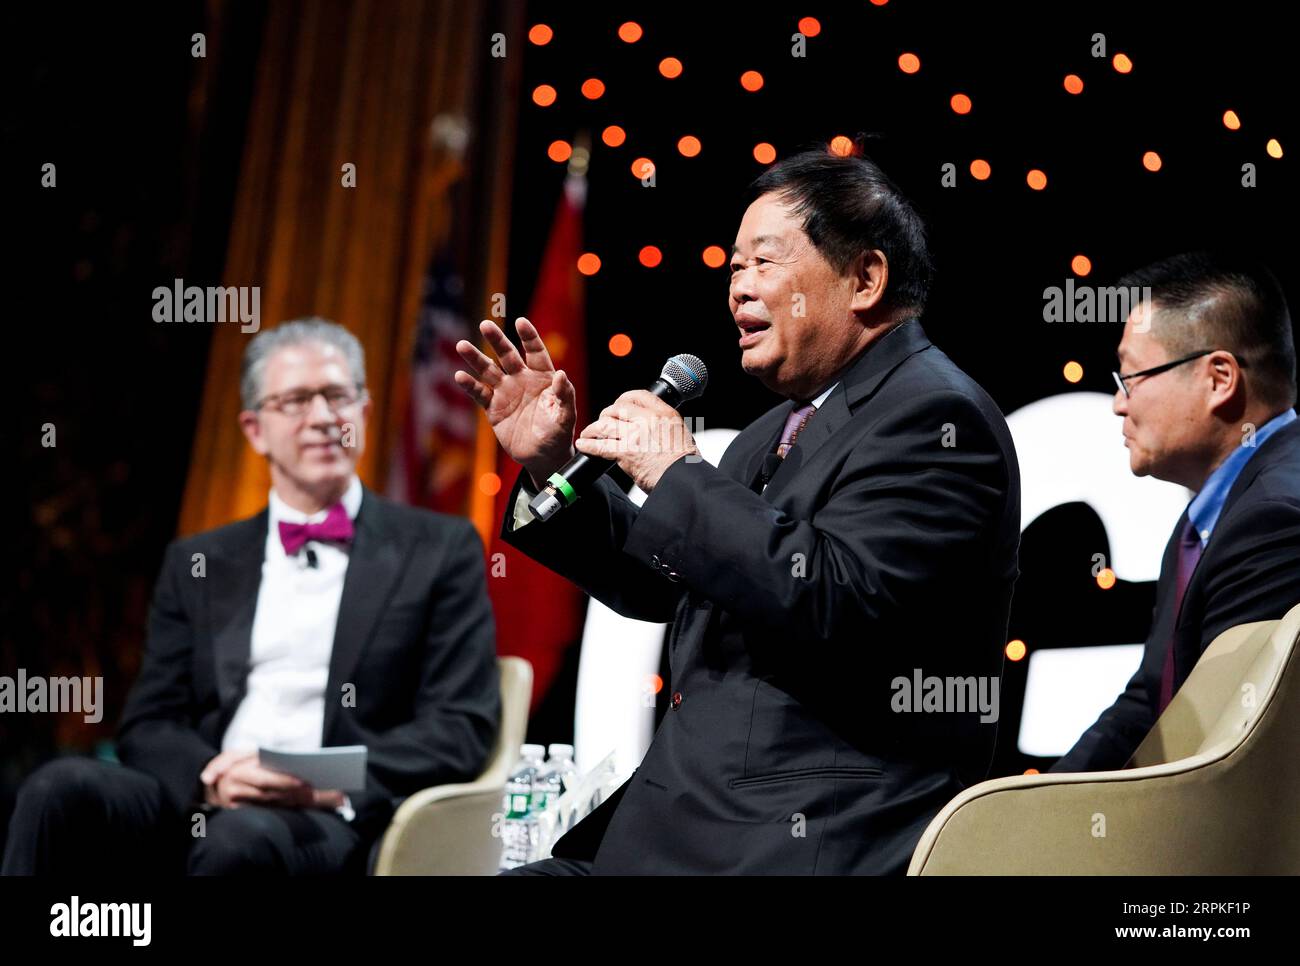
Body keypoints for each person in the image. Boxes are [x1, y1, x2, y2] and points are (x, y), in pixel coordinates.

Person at [455, 149, 1021, 874]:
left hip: (806, 835)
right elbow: (668, 583)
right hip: (688, 825)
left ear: (866, 279)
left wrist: (676, 471)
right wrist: (552, 464)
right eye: (732, 269)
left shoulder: (936, 416)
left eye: (764, 263)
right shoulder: (773, 431)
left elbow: (833, 598)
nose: (738, 290)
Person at [3, 318, 499, 875]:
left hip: (328, 815)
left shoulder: (440, 548)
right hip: (207, 793)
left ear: (363, 411)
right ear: (254, 428)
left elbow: (459, 727)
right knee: (57, 789)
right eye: (294, 401)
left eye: (337, 396)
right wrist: (213, 776)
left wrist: (319, 778)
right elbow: (150, 722)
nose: (321, 418)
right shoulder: (200, 561)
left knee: (238, 843)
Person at [1052, 253, 1300, 773]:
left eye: (1131, 377)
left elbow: (1221, 754)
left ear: (1219, 379)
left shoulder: (1276, 518)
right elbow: (1148, 703)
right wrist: (1021, 811)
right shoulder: (1207, 521)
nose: (1119, 404)